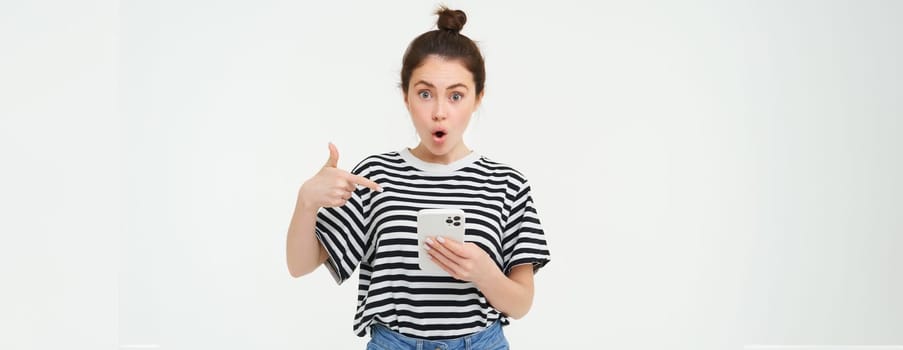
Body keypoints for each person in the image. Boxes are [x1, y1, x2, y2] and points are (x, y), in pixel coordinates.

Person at [285, 6, 551, 349]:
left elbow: (521, 303)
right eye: (425, 93)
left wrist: (483, 273)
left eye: (456, 95)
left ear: (477, 98)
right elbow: (299, 264)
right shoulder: (375, 176)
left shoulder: (507, 183)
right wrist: (306, 202)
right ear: (406, 97)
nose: (439, 111)